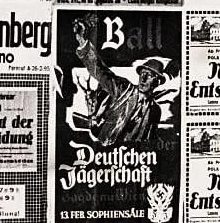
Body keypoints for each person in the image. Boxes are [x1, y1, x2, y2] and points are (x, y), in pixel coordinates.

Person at [71, 16, 168, 146]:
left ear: (157, 82)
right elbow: (100, 72)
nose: (143, 78)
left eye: (149, 75)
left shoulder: (155, 110)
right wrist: (83, 42)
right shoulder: (124, 89)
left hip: (133, 158)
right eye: (142, 73)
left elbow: (150, 138)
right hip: (107, 152)